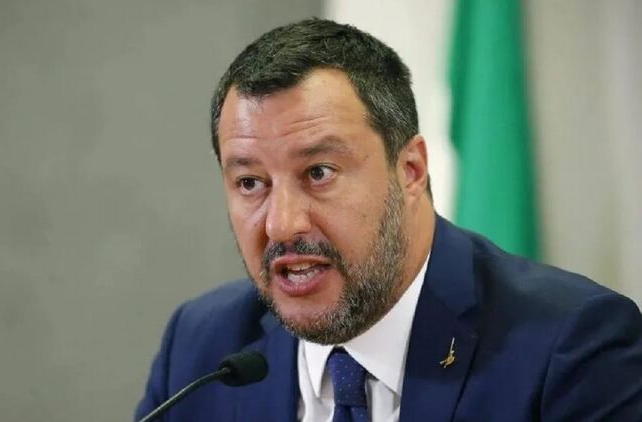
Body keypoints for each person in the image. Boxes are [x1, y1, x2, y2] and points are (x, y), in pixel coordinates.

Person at [135, 19, 642, 421]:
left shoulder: (572, 346)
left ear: (411, 170)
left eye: (319, 172)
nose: (282, 225)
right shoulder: (203, 345)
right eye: (250, 183)